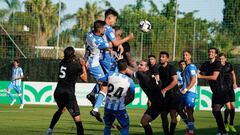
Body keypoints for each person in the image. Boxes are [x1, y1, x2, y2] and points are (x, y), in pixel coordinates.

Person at [89, 8, 134, 121]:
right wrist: (128, 38)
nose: (115, 22)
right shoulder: (108, 28)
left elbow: (110, 43)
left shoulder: (96, 28)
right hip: (103, 57)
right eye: (114, 19)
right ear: (109, 18)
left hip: (101, 55)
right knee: (111, 76)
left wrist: (115, 46)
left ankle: (94, 94)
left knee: (107, 77)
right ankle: (97, 103)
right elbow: (114, 43)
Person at [46, 47, 87, 135]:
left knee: (61, 109)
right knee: (77, 120)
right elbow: (85, 79)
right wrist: (83, 66)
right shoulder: (76, 66)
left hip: (58, 93)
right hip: (68, 95)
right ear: (73, 55)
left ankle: (49, 130)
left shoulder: (61, 63)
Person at [98, 59, 135, 135]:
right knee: (125, 126)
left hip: (107, 106)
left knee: (107, 126)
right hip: (119, 108)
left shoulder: (110, 74)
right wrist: (124, 103)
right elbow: (132, 96)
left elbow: (100, 81)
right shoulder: (130, 81)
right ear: (126, 68)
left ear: (118, 67)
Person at [127, 59, 162, 135]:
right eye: (139, 64)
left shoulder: (141, 75)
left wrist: (121, 62)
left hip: (158, 104)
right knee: (144, 121)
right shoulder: (149, 73)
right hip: (157, 102)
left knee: (144, 121)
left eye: (141, 65)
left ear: (147, 67)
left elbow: (128, 71)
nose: (139, 66)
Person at [198, 47, 228, 135]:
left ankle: (221, 131)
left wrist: (201, 77)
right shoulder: (206, 64)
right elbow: (197, 72)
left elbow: (214, 77)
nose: (210, 53)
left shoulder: (218, 64)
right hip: (215, 91)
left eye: (212, 52)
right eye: (209, 52)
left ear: (215, 54)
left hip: (222, 90)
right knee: (215, 111)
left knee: (216, 110)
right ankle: (222, 131)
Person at [85, 20, 110, 122]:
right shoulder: (99, 41)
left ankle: (92, 94)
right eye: (104, 28)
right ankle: (95, 109)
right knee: (104, 86)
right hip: (94, 64)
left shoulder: (90, 34)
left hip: (94, 61)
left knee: (103, 80)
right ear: (99, 29)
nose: (105, 29)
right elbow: (110, 45)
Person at [158, 51, 179, 135]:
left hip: (173, 94)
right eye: (160, 56)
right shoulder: (159, 69)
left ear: (167, 58)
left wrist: (165, 89)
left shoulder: (171, 68)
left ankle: (171, 133)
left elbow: (175, 81)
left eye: (163, 57)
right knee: (163, 115)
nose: (161, 58)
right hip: (164, 96)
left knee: (172, 114)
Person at [180, 50, 198, 135]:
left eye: (186, 55)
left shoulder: (191, 66)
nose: (184, 56)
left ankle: (190, 131)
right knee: (179, 109)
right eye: (183, 55)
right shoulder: (186, 67)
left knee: (189, 111)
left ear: (190, 56)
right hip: (185, 92)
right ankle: (190, 126)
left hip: (190, 92)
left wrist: (186, 89)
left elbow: (194, 80)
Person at [219, 53, 238, 133]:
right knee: (228, 107)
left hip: (230, 88)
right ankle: (226, 123)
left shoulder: (229, 65)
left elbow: (233, 74)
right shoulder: (217, 67)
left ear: (225, 59)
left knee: (233, 106)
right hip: (224, 89)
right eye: (220, 59)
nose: (221, 60)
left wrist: (234, 83)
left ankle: (231, 124)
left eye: (222, 58)